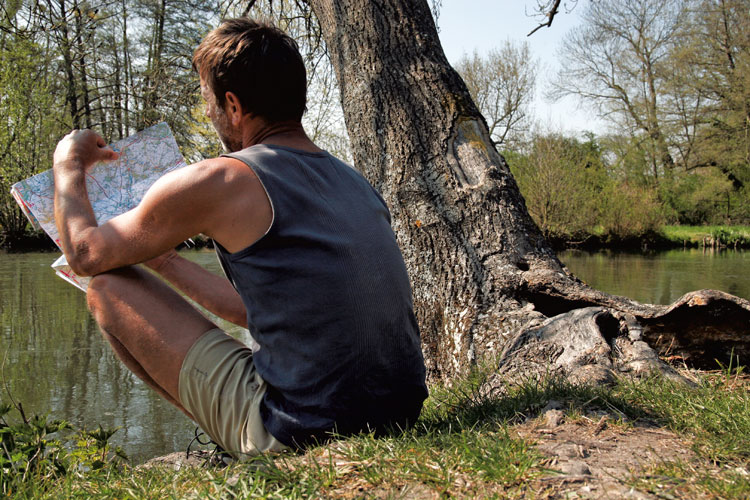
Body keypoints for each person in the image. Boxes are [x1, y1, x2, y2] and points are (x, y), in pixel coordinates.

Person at [52, 17, 428, 459]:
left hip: (304, 428)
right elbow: (251, 311)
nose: (208, 113)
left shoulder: (225, 177)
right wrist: (163, 260)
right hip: (397, 412)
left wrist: (67, 163)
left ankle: (243, 443)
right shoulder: (350, 179)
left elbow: (84, 253)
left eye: (207, 100)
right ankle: (236, 433)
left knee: (108, 287)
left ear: (232, 104)